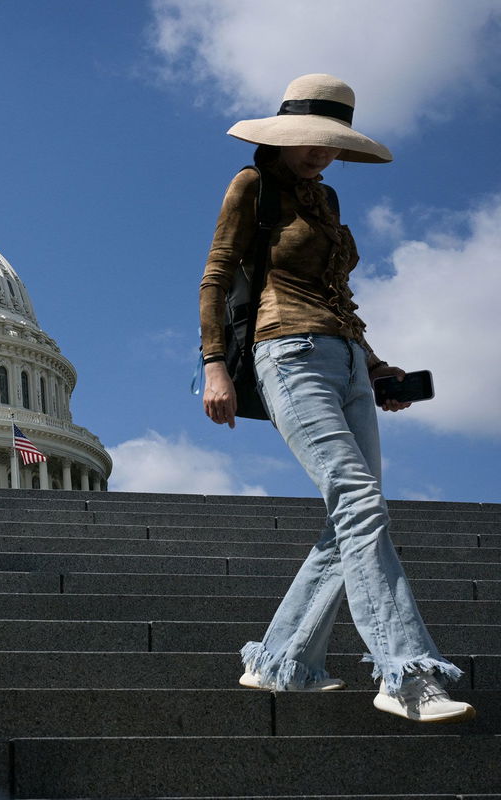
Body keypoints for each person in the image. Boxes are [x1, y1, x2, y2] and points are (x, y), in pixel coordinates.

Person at [199, 74, 474, 722]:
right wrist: (216, 366)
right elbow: (215, 276)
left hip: (346, 361)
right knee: (358, 499)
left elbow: (335, 297)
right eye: (310, 140)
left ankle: (283, 662)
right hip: (286, 354)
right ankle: (405, 675)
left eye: (331, 143)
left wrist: (375, 367)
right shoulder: (252, 186)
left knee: (351, 514)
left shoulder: (326, 199)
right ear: (284, 134)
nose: (320, 152)